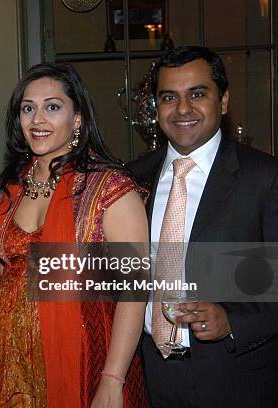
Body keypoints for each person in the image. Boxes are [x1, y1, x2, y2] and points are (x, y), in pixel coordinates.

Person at [0, 63, 149, 407]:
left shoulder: (109, 189)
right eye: (28, 108)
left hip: (89, 361)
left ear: (77, 118)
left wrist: (112, 378)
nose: (37, 119)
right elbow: (2, 278)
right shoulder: (8, 191)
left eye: (53, 107)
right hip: (16, 366)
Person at [127, 46, 278, 407]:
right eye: (169, 97)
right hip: (148, 376)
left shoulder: (265, 178)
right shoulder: (131, 180)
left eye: (197, 94)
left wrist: (233, 321)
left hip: (236, 380)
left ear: (223, 101)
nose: (182, 109)